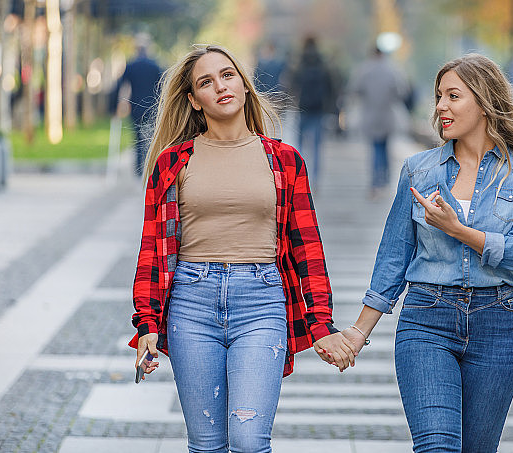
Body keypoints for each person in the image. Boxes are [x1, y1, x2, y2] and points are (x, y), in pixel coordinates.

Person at [128, 44, 355, 453]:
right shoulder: (172, 163)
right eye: (206, 82)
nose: (220, 86)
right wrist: (147, 324)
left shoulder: (284, 160)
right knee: (207, 445)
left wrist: (322, 324)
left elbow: (308, 251)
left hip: (262, 302)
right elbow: (153, 249)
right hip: (191, 304)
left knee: (250, 441)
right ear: (194, 101)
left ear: (246, 87)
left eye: (228, 75)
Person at [337, 53, 513, 452]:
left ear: (484, 101)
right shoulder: (420, 170)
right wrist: (357, 333)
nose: (440, 107)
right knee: (437, 446)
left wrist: (458, 230)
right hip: (426, 321)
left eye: (453, 96)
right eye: (439, 96)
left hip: (497, 327)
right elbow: (394, 256)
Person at [345, 46, 408, 197]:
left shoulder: (364, 70)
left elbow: (354, 89)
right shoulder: (392, 70)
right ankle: (385, 180)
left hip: (370, 114)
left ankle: (375, 182)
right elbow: (402, 91)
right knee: (385, 148)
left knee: (375, 148)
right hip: (387, 115)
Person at [110, 34, 164, 176]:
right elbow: (162, 86)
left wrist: (114, 107)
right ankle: (150, 168)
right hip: (152, 107)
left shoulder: (131, 66)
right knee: (152, 137)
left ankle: (139, 170)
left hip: (135, 107)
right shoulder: (155, 66)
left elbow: (120, 86)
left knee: (138, 138)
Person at [291, 35, 334, 185]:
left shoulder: (300, 63)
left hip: (303, 107)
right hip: (318, 108)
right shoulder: (322, 63)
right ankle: (315, 178)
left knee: (301, 143)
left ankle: (300, 175)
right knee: (316, 145)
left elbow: (293, 84)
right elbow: (330, 86)